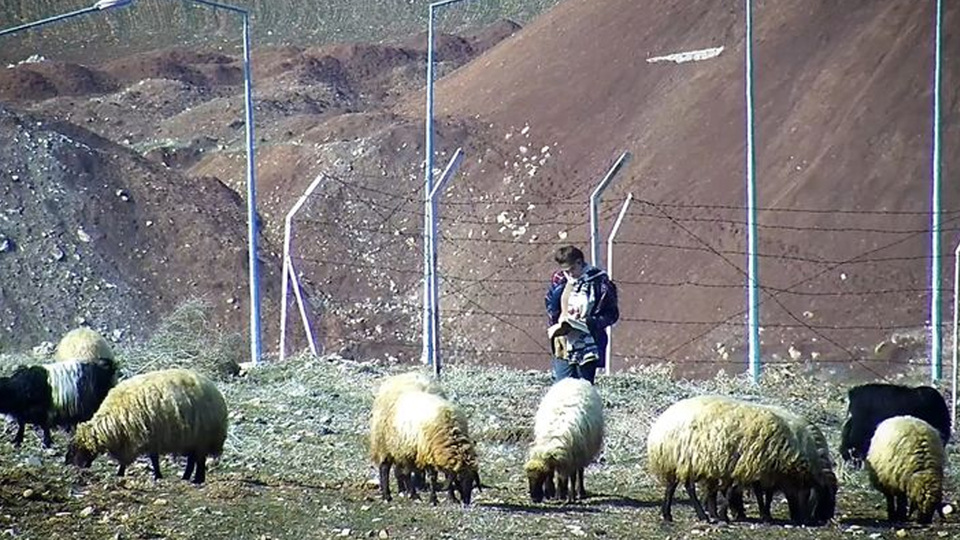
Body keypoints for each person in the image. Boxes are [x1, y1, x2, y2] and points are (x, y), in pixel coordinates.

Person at [544, 245, 619, 384]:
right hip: (563, 342)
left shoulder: (599, 282)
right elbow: (551, 305)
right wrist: (558, 325)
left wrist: (590, 322)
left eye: (572, 269)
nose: (570, 274)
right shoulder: (559, 280)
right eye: (566, 271)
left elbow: (611, 314)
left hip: (588, 343)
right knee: (562, 386)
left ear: (580, 262)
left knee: (583, 387)